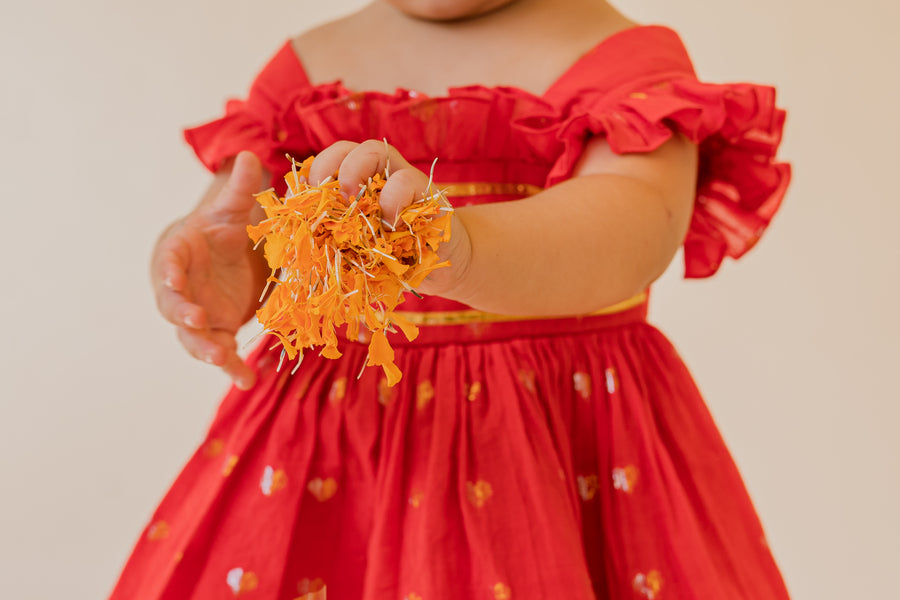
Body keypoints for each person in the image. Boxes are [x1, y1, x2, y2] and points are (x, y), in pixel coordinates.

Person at [111, 0, 792, 598]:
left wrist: (461, 248)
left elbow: (636, 223)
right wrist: (228, 269)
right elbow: (242, 217)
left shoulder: (620, 60)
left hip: (557, 440)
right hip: (338, 445)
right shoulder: (307, 68)